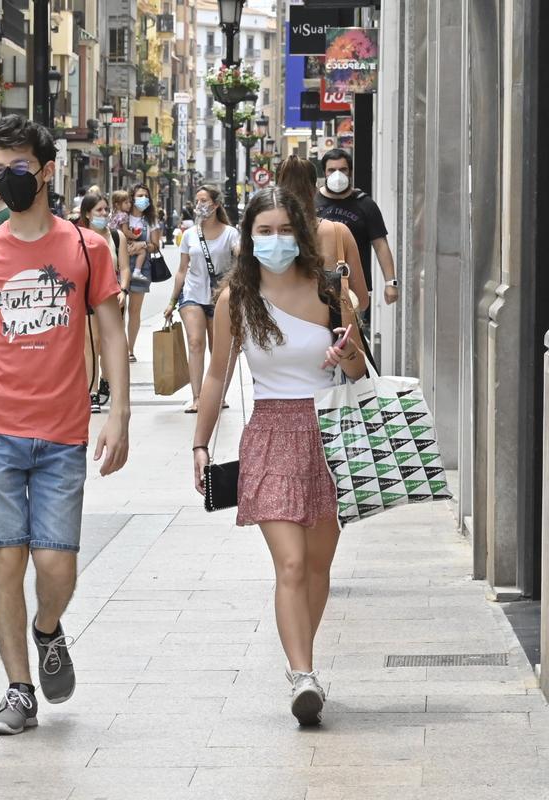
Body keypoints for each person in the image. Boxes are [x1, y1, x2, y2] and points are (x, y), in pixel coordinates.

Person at [0, 115, 130, 736]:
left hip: (63, 432)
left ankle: (48, 628)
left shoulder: (85, 248)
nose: (5, 179)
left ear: (47, 171)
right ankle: (19, 690)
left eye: (18, 168)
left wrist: (119, 413)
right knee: (4, 560)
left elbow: (110, 332)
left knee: (55, 566)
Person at [191, 187, 365, 726]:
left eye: (285, 230)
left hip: (327, 434)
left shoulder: (332, 292)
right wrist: (200, 443)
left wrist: (350, 353)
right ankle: (303, 675)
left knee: (317, 565)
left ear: (302, 234)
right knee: (290, 562)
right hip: (268, 434)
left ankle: (301, 660)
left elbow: (359, 372)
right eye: (263, 231)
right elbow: (218, 374)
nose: (275, 240)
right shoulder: (235, 301)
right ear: (248, 236)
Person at [165, 186, 240, 413]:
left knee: (219, 348)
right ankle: (197, 397)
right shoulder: (189, 235)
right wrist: (172, 301)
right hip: (193, 294)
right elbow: (181, 270)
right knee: (196, 342)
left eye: (204, 200)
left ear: (216, 205)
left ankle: (218, 396)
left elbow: (240, 256)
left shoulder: (230, 234)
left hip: (220, 297)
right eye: (197, 200)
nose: (199, 205)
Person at [276, 156, 368, 312]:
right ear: (315, 190)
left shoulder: (265, 236)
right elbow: (361, 301)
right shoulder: (339, 232)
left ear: (275, 191)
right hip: (331, 332)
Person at [315, 148, 398, 314]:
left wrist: (391, 283)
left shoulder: (365, 204)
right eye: (331, 170)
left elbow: (380, 245)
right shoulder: (312, 203)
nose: (337, 175)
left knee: (353, 338)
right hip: (317, 289)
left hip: (355, 288)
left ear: (350, 172)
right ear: (324, 172)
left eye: (342, 169)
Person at [76, 193, 130, 413]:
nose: (104, 214)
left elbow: (124, 268)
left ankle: (106, 377)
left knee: (109, 343)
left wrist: (124, 290)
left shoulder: (117, 237)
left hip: (112, 296)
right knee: (91, 343)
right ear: (87, 214)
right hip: (86, 296)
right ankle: (92, 392)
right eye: (99, 210)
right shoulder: (77, 236)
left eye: (106, 210)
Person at [119, 186, 161, 364]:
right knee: (118, 310)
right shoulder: (122, 217)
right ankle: (118, 347)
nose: (143, 199)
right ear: (132, 197)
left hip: (141, 268)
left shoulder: (151, 220)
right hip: (120, 266)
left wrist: (142, 245)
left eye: (146, 196)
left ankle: (130, 349)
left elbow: (155, 245)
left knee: (134, 311)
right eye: (139, 196)